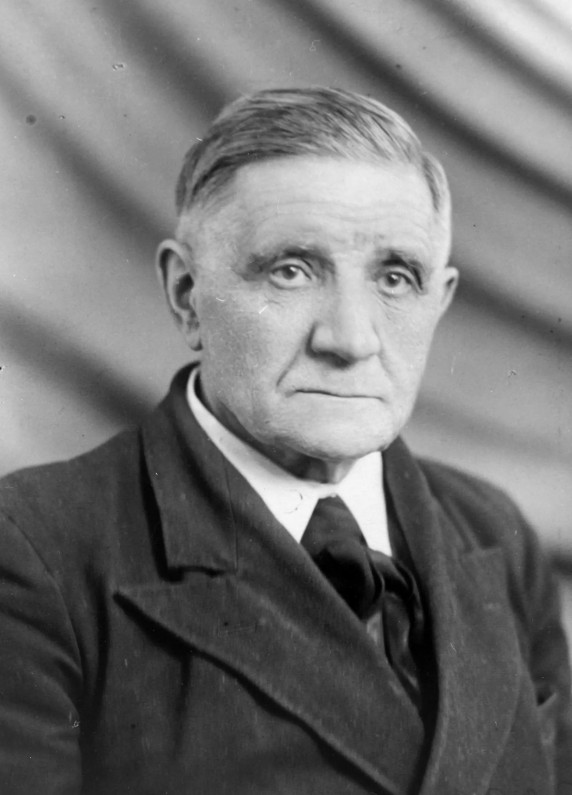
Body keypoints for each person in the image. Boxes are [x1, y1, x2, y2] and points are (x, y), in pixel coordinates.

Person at [0, 87, 570, 795]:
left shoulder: (493, 533)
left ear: (440, 300)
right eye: (291, 270)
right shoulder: (37, 548)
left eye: (396, 278)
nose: (350, 339)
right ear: (186, 294)